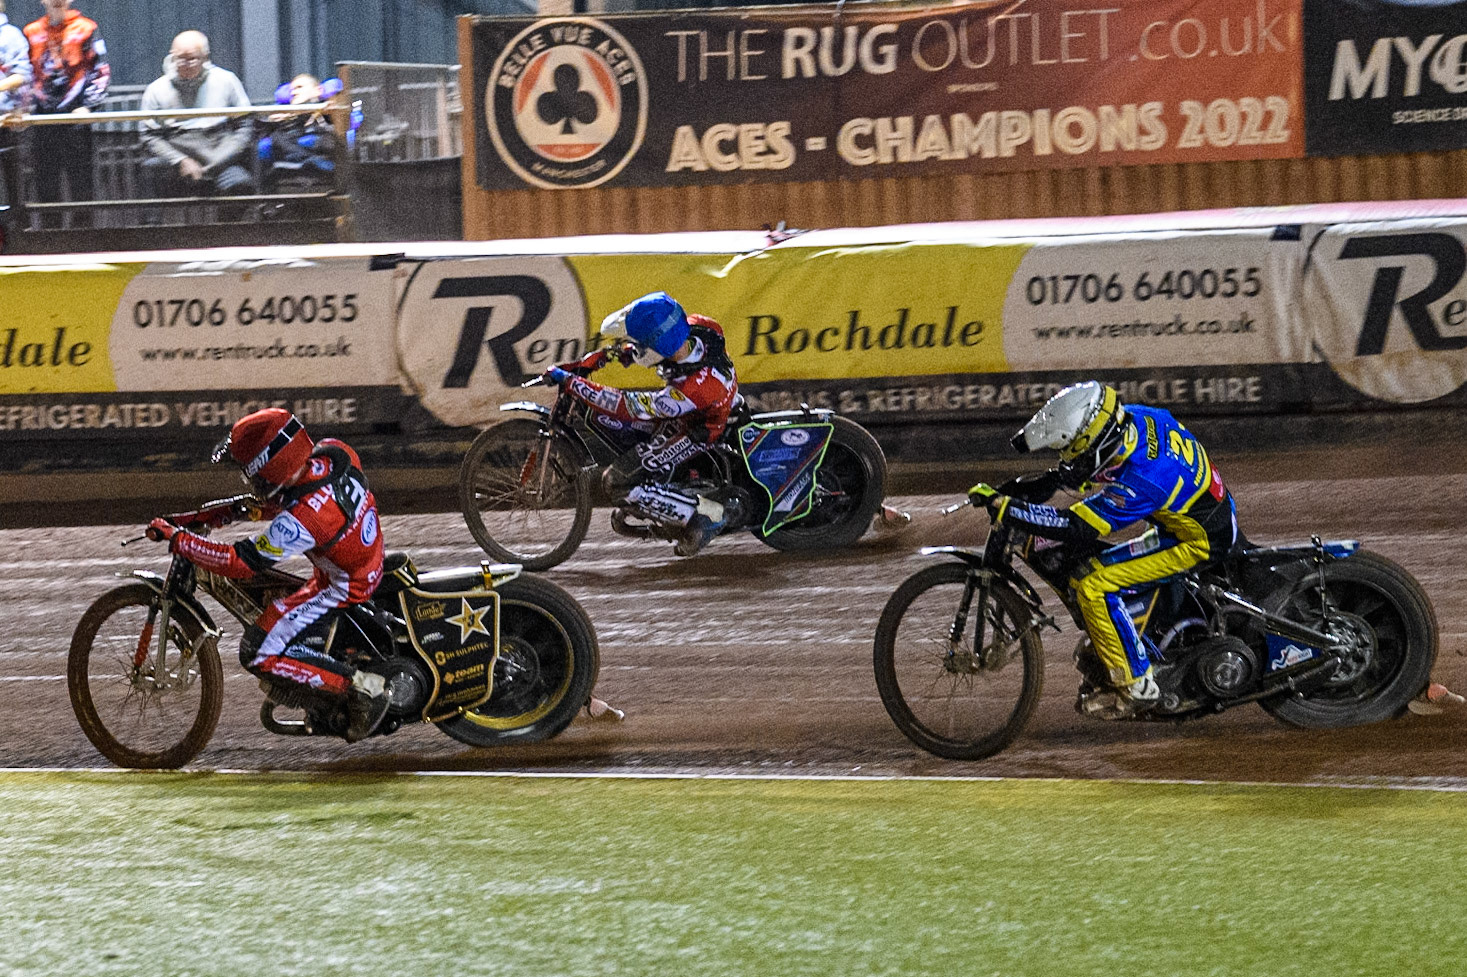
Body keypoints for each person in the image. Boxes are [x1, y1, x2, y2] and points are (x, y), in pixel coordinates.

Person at [968, 381, 1238, 717]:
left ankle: (1136, 684)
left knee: (1092, 583)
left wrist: (1010, 508)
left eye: (1072, 452)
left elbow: (1075, 526)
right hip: (1201, 511)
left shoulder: (1143, 480)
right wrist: (1036, 485)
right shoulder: (1133, 419)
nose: (1069, 459)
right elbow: (1087, 472)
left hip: (1196, 543)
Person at [146, 408, 390, 742]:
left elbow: (240, 562)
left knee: (257, 651)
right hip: (367, 559)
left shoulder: (300, 522)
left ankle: (365, 690)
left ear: (269, 468)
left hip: (343, 585)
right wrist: (224, 512)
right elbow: (297, 495)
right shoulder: (335, 454)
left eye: (250, 473)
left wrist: (180, 541)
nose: (249, 481)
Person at [543, 291, 739, 557]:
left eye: (637, 343)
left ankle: (707, 516)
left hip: (696, 429)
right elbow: (653, 348)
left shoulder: (693, 390)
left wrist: (573, 383)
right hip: (704, 403)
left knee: (617, 482)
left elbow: (627, 406)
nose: (633, 345)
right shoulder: (701, 328)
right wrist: (607, 357)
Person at [138, 30, 255, 200]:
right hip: (177, 155)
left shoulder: (226, 80)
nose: (185, 64)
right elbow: (148, 135)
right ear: (172, 55)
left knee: (241, 186)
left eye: (192, 58)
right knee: (150, 172)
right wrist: (180, 160)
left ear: (205, 57)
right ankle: (153, 226)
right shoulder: (156, 89)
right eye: (179, 58)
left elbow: (245, 125)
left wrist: (220, 160)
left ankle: (228, 227)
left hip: (220, 153)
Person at [22, 0, 108, 220]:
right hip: (42, 120)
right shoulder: (31, 32)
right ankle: (50, 239)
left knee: (82, 184)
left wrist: (89, 107)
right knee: (45, 184)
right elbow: (24, 74)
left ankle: (83, 240)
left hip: (76, 118)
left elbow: (100, 70)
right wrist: (24, 108)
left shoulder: (87, 28)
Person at [258, 73, 342, 187]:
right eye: (292, 90)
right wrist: (279, 119)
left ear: (317, 90)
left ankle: (312, 162)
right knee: (275, 137)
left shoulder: (329, 107)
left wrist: (331, 112)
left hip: (324, 145)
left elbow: (338, 131)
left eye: (299, 87)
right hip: (296, 159)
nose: (293, 93)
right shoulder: (285, 114)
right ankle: (310, 161)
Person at [0, 0, 31, 211]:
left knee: (14, 191)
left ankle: (18, 237)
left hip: (6, 122)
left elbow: (22, 75)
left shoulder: (10, 35)